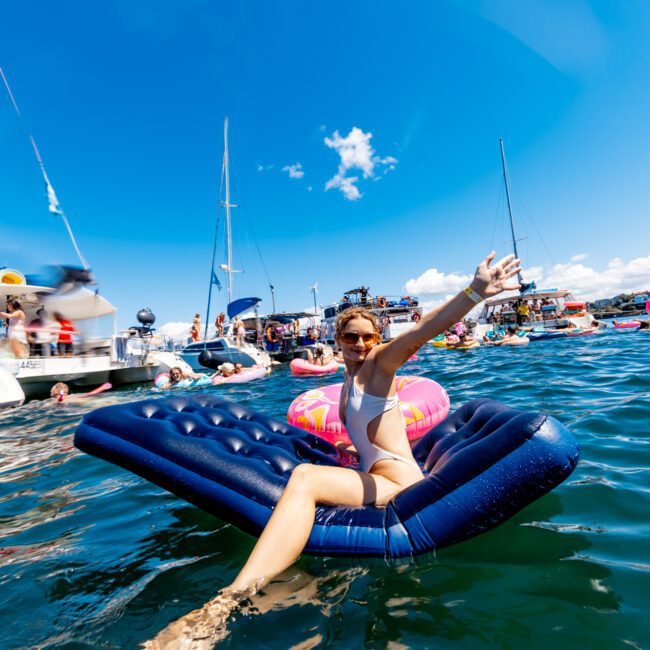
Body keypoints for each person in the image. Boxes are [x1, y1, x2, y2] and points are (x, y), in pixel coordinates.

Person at [145, 251, 521, 646]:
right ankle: (306, 605)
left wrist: (474, 292)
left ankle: (226, 604)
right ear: (337, 339)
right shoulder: (348, 381)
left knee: (305, 478)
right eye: (350, 336)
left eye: (368, 337)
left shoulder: (378, 365)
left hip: (400, 483)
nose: (360, 344)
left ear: (378, 340)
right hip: (375, 477)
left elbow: (420, 332)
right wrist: (349, 445)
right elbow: (367, 431)